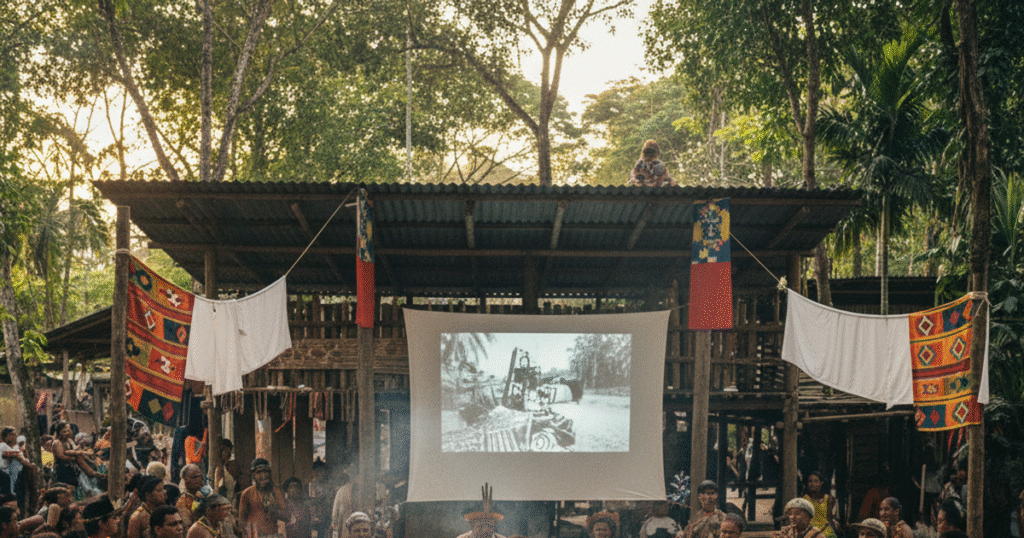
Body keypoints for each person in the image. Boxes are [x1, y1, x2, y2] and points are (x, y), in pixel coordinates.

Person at [238, 458, 286, 538]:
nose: (263, 475)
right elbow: (242, 521)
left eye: (265, 471)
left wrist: (275, 510)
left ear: (269, 473)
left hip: (272, 535)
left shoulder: (276, 492)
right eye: (259, 472)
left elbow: (286, 516)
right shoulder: (247, 493)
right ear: (254, 474)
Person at [1, 427, 35, 498]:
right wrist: (26, 462)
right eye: (11, 435)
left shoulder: (16, 448)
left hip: (14, 474)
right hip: (3, 472)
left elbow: (23, 458)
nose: (14, 436)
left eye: (15, 434)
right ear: (5, 436)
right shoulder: (2, 445)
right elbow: (13, 455)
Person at [802, 472, 839, 538]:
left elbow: (830, 519)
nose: (812, 484)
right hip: (809, 531)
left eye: (816, 481)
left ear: (821, 483)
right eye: (810, 481)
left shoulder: (828, 499)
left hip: (825, 531)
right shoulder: (804, 499)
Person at [177, 464, 206, 529]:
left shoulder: (206, 492)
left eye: (200, 476)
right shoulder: (183, 502)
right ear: (186, 480)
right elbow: (187, 525)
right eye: (195, 477)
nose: (200, 479)